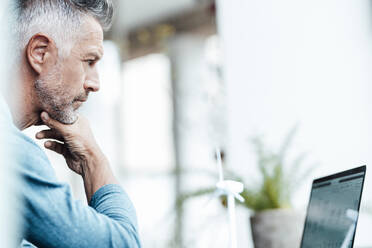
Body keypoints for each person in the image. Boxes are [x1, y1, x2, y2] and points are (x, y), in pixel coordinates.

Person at [1, 0, 141, 247]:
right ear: (40, 52)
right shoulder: (11, 154)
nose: (94, 83)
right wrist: (92, 158)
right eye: (89, 61)